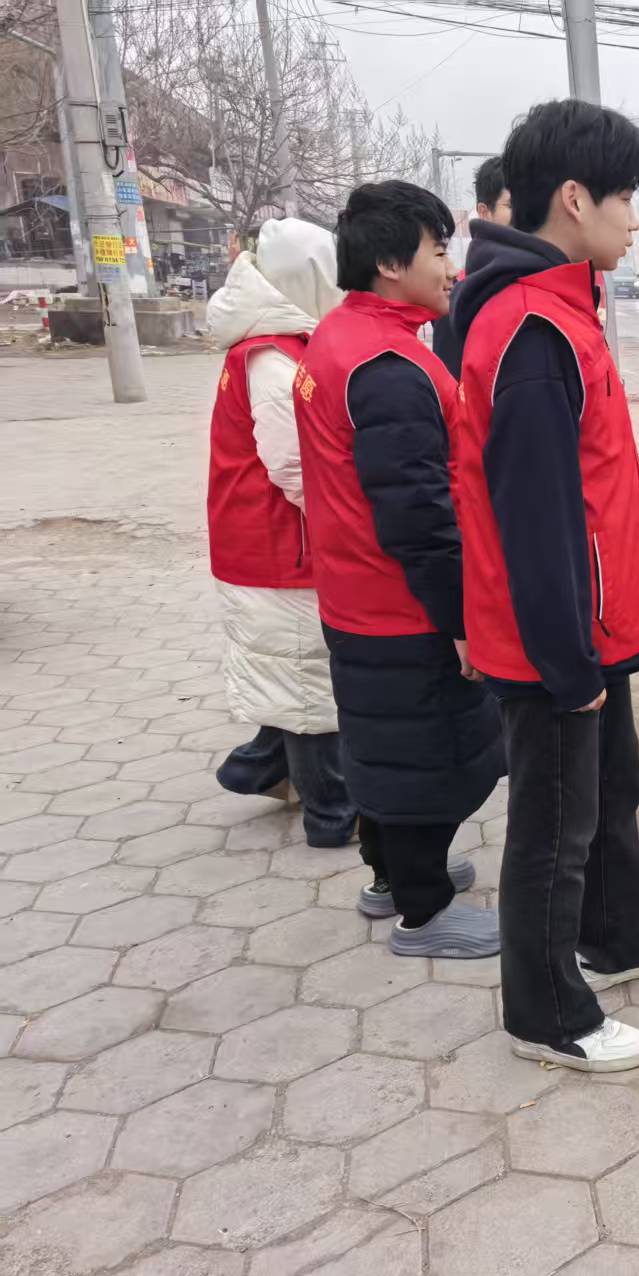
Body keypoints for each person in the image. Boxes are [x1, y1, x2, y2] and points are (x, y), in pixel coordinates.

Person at [450, 100, 639, 1073]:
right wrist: (565, 664)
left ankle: (614, 938)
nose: (634, 218)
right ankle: (546, 1012)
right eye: (624, 197)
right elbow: (534, 518)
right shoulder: (527, 329)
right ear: (572, 198)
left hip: (597, 620)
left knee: (612, 788)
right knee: (552, 827)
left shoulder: (561, 306)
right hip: (556, 636)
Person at [294, 181, 504, 958]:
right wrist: (460, 620)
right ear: (390, 263)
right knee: (426, 753)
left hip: (355, 593)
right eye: (439, 250)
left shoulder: (342, 335)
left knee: (383, 747)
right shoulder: (386, 367)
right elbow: (419, 516)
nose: (451, 267)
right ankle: (425, 911)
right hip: (401, 605)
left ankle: (392, 878)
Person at [206, 218, 354, 849]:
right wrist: (349, 522)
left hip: (263, 541)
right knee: (306, 682)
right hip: (278, 546)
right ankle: (331, 814)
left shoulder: (273, 346)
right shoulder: (272, 356)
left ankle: (257, 768)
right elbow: (294, 465)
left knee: (287, 670)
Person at [433, 155, 510, 377]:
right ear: (484, 212)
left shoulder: (547, 284)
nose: (525, 214)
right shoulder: (461, 303)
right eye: (511, 205)